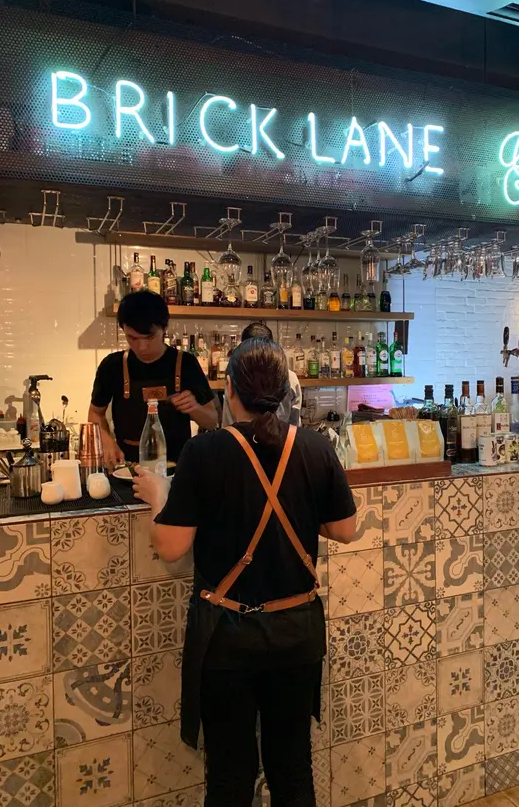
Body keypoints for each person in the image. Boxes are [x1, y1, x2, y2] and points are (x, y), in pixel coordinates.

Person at [133, 337, 357, 807]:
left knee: (230, 777)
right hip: (297, 633)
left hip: (227, 638)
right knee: (292, 771)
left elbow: (171, 547)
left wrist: (158, 496)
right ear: (284, 391)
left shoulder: (203, 452)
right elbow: (344, 529)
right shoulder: (316, 448)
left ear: (229, 389)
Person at [89, 290, 217, 470]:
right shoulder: (113, 365)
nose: (141, 347)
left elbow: (211, 421)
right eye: (132, 338)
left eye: (149, 337)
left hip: (178, 469)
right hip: (128, 469)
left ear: (164, 328)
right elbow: (95, 413)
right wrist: (106, 439)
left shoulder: (186, 363)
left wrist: (194, 408)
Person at [221, 322, 302, 427]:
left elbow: (228, 425)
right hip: (282, 436)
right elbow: (295, 425)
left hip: (240, 436)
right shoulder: (290, 377)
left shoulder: (234, 377)